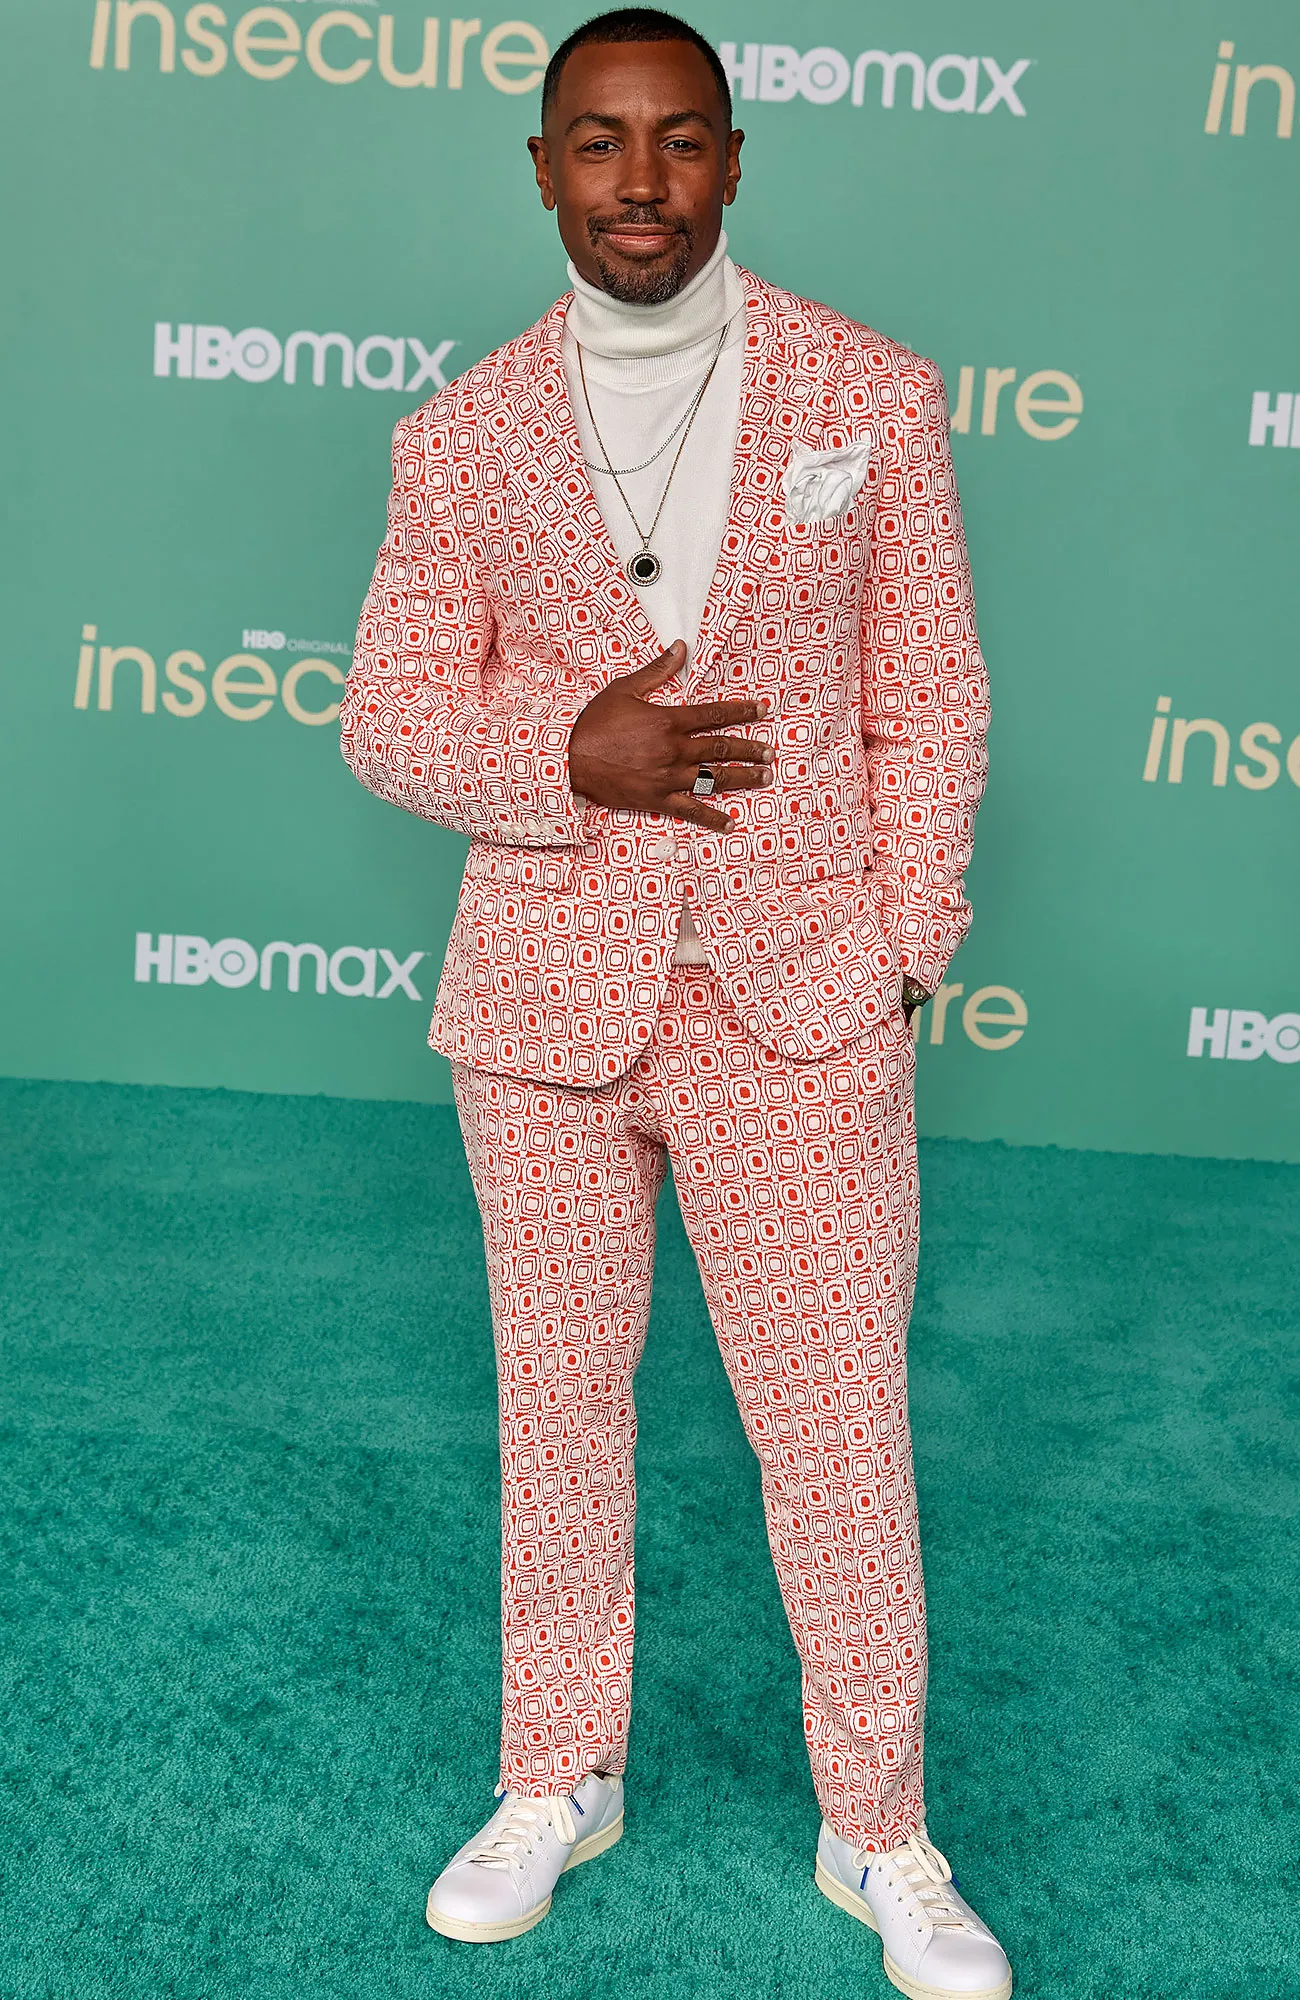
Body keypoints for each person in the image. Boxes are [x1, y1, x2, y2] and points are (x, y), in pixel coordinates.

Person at [340, 10, 1005, 1996]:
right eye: (598, 141)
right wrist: (569, 754)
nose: (639, 181)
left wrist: (902, 947)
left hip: (797, 1000)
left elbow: (930, 696)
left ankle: (881, 1829)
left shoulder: (869, 393)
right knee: (558, 1418)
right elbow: (386, 716)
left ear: (730, 161)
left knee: (838, 1431)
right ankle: (554, 1776)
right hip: (543, 1007)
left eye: (680, 139)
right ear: (542, 168)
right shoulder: (458, 435)